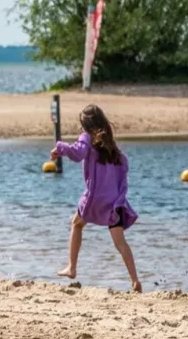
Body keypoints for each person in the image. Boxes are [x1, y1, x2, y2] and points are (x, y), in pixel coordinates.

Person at [52, 104, 142, 292]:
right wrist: (120, 202)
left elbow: (77, 153)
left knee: (76, 224)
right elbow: (122, 178)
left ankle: (72, 267)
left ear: (85, 126)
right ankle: (134, 280)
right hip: (113, 202)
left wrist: (60, 148)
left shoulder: (86, 138)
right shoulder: (114, 150)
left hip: (94, 199)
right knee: (120, 242)